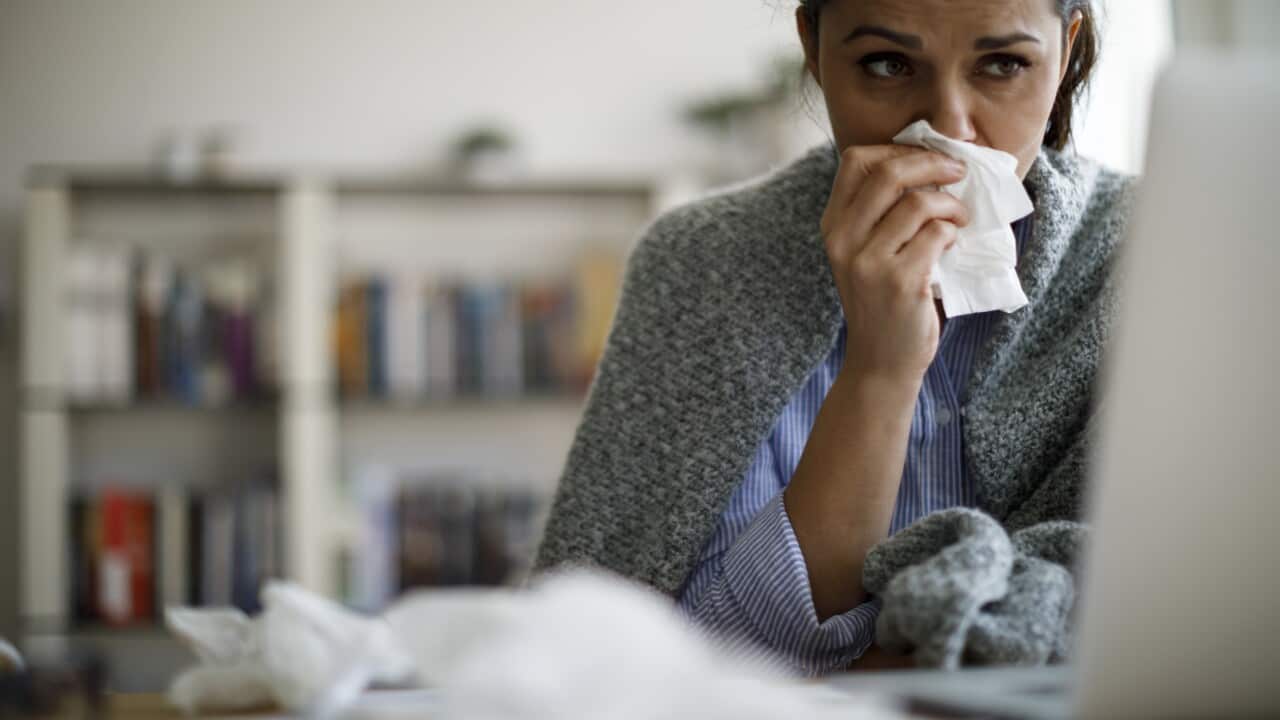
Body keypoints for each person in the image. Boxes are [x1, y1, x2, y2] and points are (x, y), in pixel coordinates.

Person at [535, 0, 1135, 675]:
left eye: (1002, 65)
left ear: (1065, 50)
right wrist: (881, 370)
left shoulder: (1155, 252)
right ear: (814, 47)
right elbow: (680, 655)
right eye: (887, 64)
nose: (948, 128)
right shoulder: (705, 264)